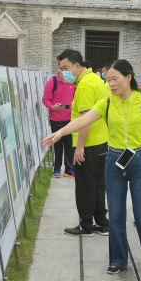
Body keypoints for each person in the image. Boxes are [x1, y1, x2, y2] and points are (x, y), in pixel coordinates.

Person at [43, 60, 141, 274]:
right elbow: (83, 120)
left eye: (115, 79)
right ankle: (118, 260)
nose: (111, 84)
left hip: (139, 160)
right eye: (108, 79)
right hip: (114, 161)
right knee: (116, 215)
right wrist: (59, 133)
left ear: (129, 77)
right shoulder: (106, 102)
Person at [56, 49, 110, 237]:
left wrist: (79, 147)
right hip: (101, 141)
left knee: (85, 185)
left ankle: (87, 225)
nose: (63, 72)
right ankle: (102, 223)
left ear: (77, 66)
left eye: (66, 68)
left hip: (88, 143)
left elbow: (85, 119)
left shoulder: (85, 84)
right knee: (98, 184)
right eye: (61, 69)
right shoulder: (95, 79)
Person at [42, 64, 76, 178]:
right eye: (65, 69)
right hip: (56, 119)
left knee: (70, 145)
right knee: (57, 145)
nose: (67, 72)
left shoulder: (73, 82)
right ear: (60, 70)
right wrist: (52, 107)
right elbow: (45, 99)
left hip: (70, 119)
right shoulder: (52, 82)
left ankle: (69, 169)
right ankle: (57, 168)